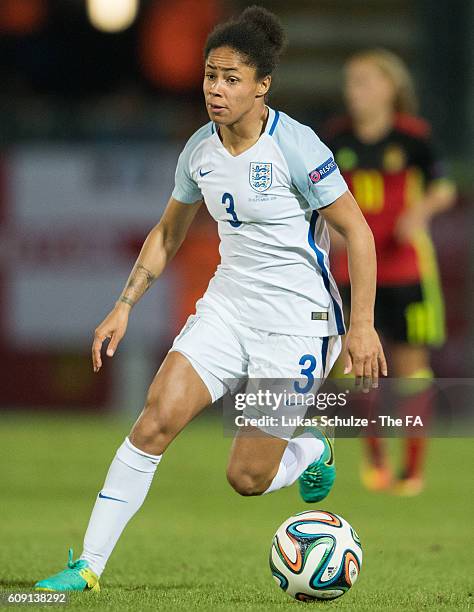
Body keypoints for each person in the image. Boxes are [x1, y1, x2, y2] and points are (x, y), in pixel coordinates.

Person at [35, 7, 386, 592]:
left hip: (299, 323)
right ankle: (87, 568)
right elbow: (169, 232)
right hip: (227, 309)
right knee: (154, 420)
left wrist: (363, 325)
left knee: (247, 478)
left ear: (261, 86)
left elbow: (359, 231)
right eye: (209, 76)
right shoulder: (199, 149)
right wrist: (124, 303)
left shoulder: (297, 148)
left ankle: (309, 450)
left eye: (231, 79)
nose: (215, 90)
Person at [325, 49, 456, 496]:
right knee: (354, 368)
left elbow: (443, 186)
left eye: (364, 81)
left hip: (405, 269)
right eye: (350, 82)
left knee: (410, 370)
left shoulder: (413, 138)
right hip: (351, 272)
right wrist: (330, 226)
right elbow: (315, 196)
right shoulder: (335, 140)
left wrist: (420, 211)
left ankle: (412, 470)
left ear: (390, 88)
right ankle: (374, 462)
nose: (354, 91)